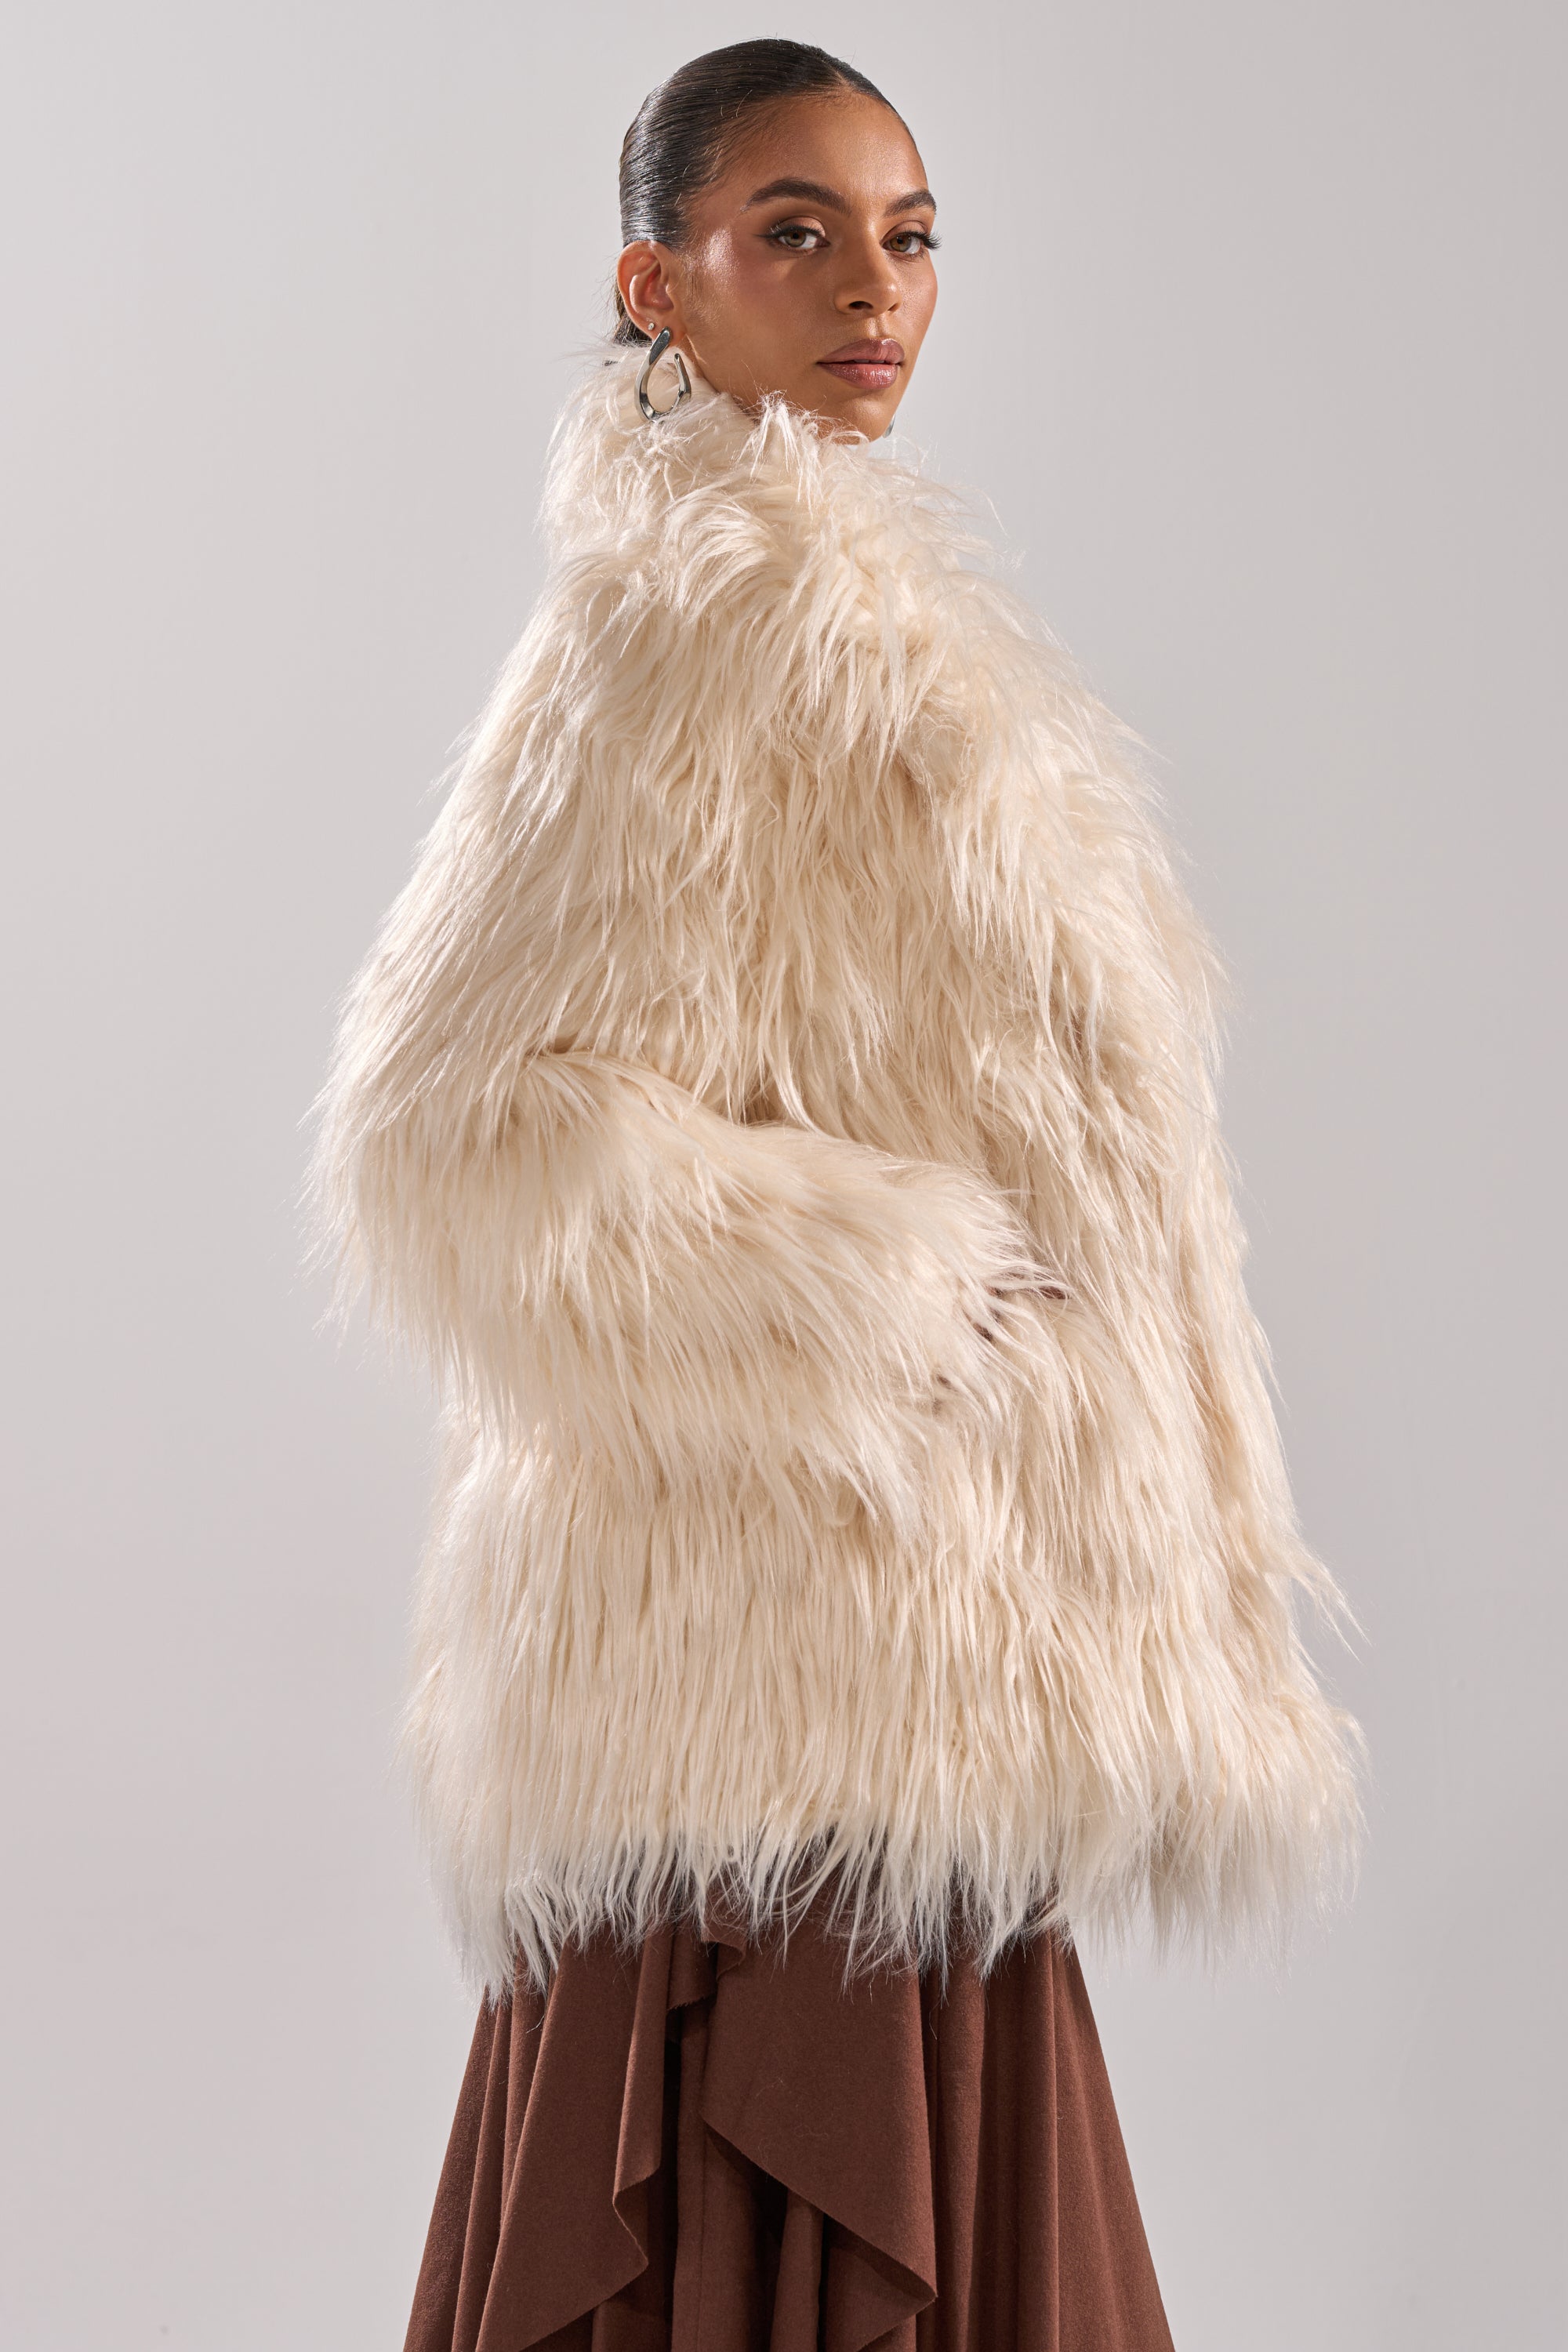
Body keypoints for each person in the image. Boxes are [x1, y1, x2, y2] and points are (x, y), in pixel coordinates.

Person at [308, 38, 1366, 2351]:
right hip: (775, 1681)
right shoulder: (679, 617)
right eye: (794, 232)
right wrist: (892, 1281)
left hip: (917, 1665)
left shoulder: (858, 622)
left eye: (908, 239)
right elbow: (451, 1121)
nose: (873, 291)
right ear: (654, 283)